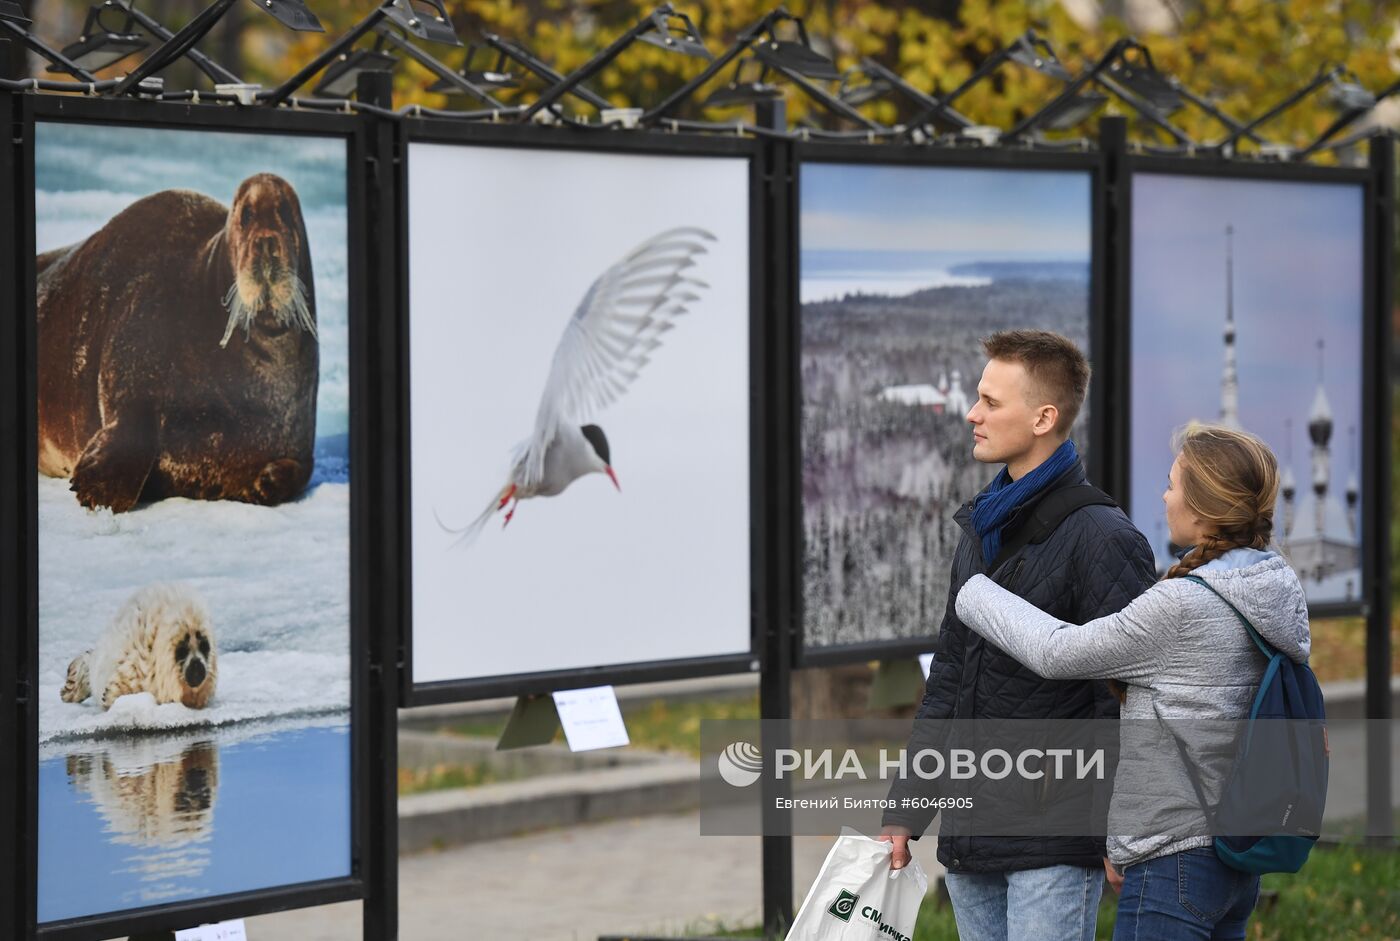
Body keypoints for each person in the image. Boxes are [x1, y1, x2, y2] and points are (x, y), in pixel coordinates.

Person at [953, 424, 1310, 940]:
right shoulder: (1271, 588)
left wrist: (976, 590)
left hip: (1174, 863)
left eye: (1172, 484)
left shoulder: (1184, 605)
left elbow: (1059, 652)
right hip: (1234, 858)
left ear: (1204, 506)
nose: (1164, 497)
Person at [879, 330, 1157, 941]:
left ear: (1043, 417)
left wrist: (1115, 829)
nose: (972, 415)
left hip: (1055, 840)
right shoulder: (981, 526)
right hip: (972, 833)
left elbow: (1123, 701)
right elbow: (949, 678)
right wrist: (906, 810)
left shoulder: (1103, 538)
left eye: (990, 402)